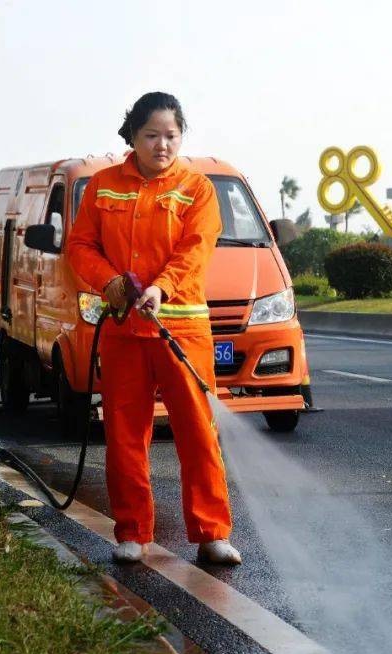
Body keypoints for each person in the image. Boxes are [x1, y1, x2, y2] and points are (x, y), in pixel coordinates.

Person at [66, 92, 241, 565]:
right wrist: (111, 283)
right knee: (125, 434)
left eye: (171, 136)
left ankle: (211, 532)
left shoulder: (196, 189)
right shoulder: (102, 187)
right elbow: (80, 246)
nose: (162, 145)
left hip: (180, 331)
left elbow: (197, 248)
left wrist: (162, 287)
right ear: (132, 136)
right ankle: (132, 532)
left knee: (198, 432)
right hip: (124, 332)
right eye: (152, 136)